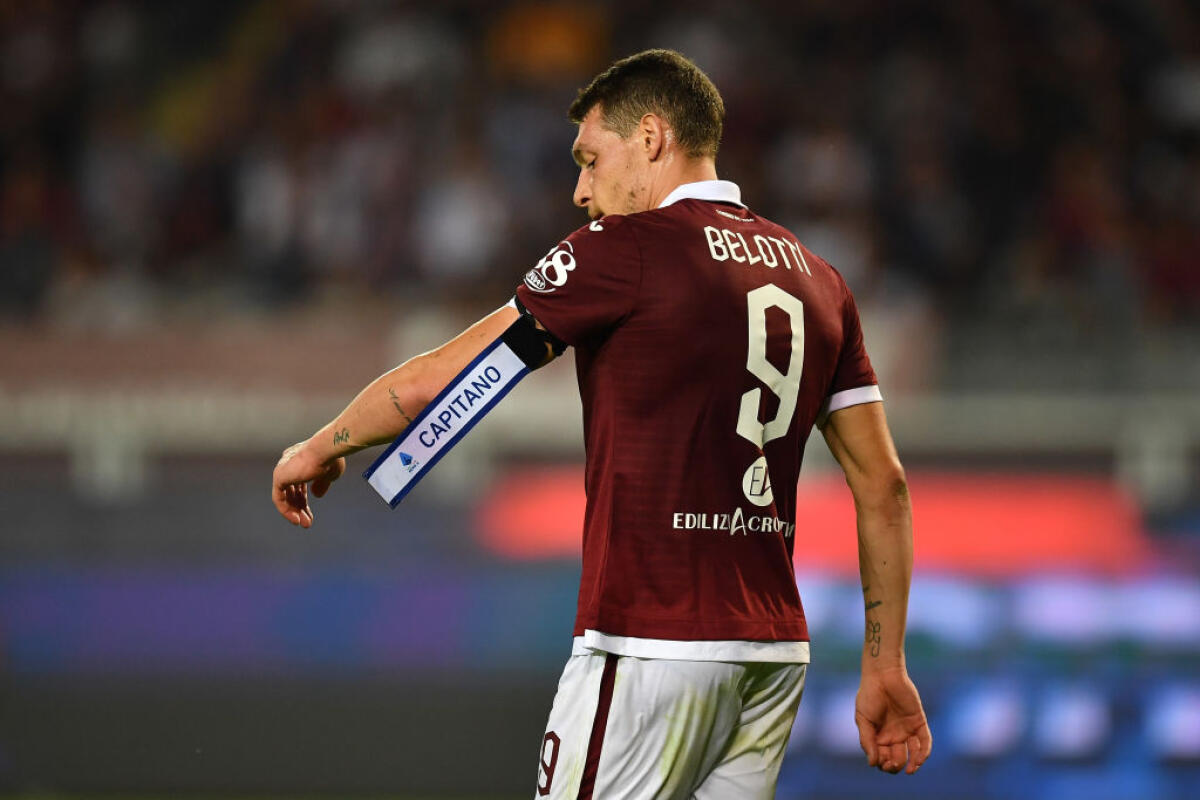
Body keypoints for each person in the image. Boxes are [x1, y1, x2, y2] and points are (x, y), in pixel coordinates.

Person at [272, 49, 931, 799]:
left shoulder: (624, 252)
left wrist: (321, 445)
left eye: (590, 160)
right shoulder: (820, 279)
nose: (582, 191)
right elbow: (885, 488)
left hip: (650, 643)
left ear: (650, 138)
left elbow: (442, 379)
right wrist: (885, 665)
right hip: (771, 658)